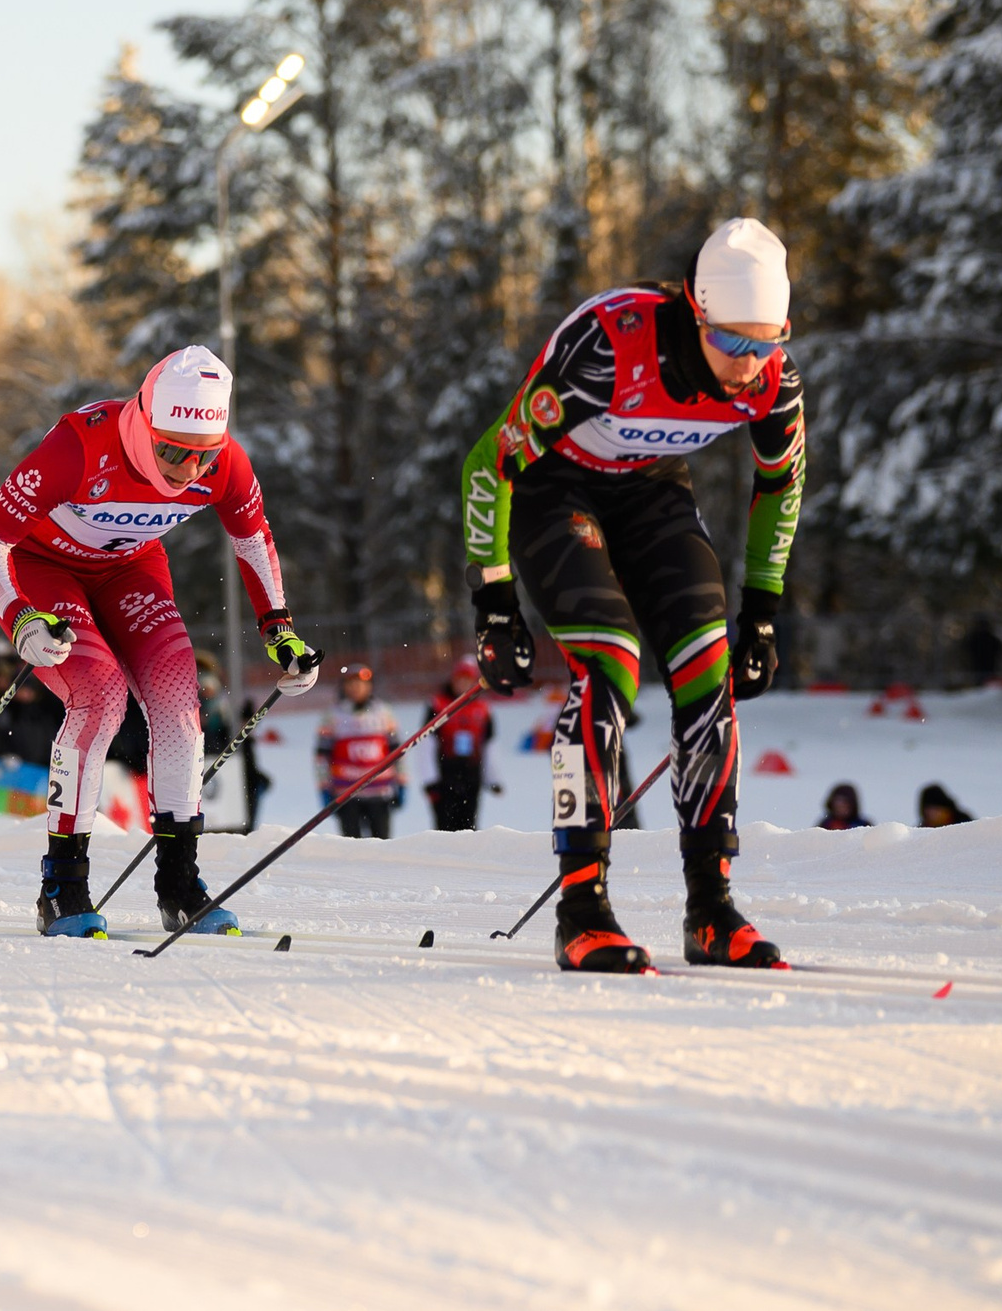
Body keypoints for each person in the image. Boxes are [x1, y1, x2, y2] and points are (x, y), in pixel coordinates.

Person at [459, 217, 804, 972]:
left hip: (649, 489)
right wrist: (494, 603)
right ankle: (582, 910)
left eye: (766, 344)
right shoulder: (611, 346)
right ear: (697, 310)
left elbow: (782, 482)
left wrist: (765, 614)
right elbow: (490, 464)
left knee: (706, 668)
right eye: (733, 344)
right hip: (557, 487)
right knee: (610, 661)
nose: (749, 365)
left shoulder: (773, 379)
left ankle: (711, 909)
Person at [0, 344, 320, 938]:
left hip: (129, 569)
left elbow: (254, 540)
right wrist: (20, 617)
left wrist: (279, 630)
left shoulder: (227, 463)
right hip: (44, 566)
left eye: (202, 458)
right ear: (145, 422)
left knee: (182, 700)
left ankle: (179, 886)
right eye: (172, 451)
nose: (186, 472)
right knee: (100, 695)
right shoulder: (81, 447)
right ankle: (64, 887)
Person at [318, 664, 401, 839]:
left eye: (361, 683)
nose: (356, 688)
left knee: (381, 846)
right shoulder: (333, 715)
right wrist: (324, 787)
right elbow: (321, 755)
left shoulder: (383, 712)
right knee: (352, 849)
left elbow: (398, 750)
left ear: (369, 685)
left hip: (379, 792)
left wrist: (401, 782)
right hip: (346, 792)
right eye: (351, 683)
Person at [426, 658, 497, 832]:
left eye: (468, 679)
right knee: (445, 825)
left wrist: (494, 777)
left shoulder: (483, 707)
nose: (463, 684)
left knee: (468, 825)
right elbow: (427, 743)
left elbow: (490, 744)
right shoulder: (438, 704)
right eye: (460, 679)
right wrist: (429, 778)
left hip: (471, 772)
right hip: (445, 772)